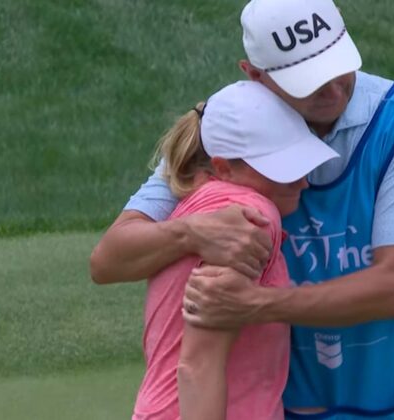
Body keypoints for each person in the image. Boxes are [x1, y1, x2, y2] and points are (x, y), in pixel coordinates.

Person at [90, 0, 394, 418]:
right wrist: (191, 231)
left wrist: (255, 303)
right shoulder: (229, 127)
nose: (332, 89)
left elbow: (392, 288)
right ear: (255, 75)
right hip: (286, 401)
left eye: (337, 66)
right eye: (308, 80)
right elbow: (108, 260)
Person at [127, 80, 339, 420]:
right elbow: (198, 367)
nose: (302, 181)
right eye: (284, 171)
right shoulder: (250, 216)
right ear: (224, 168)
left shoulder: (206, 204)